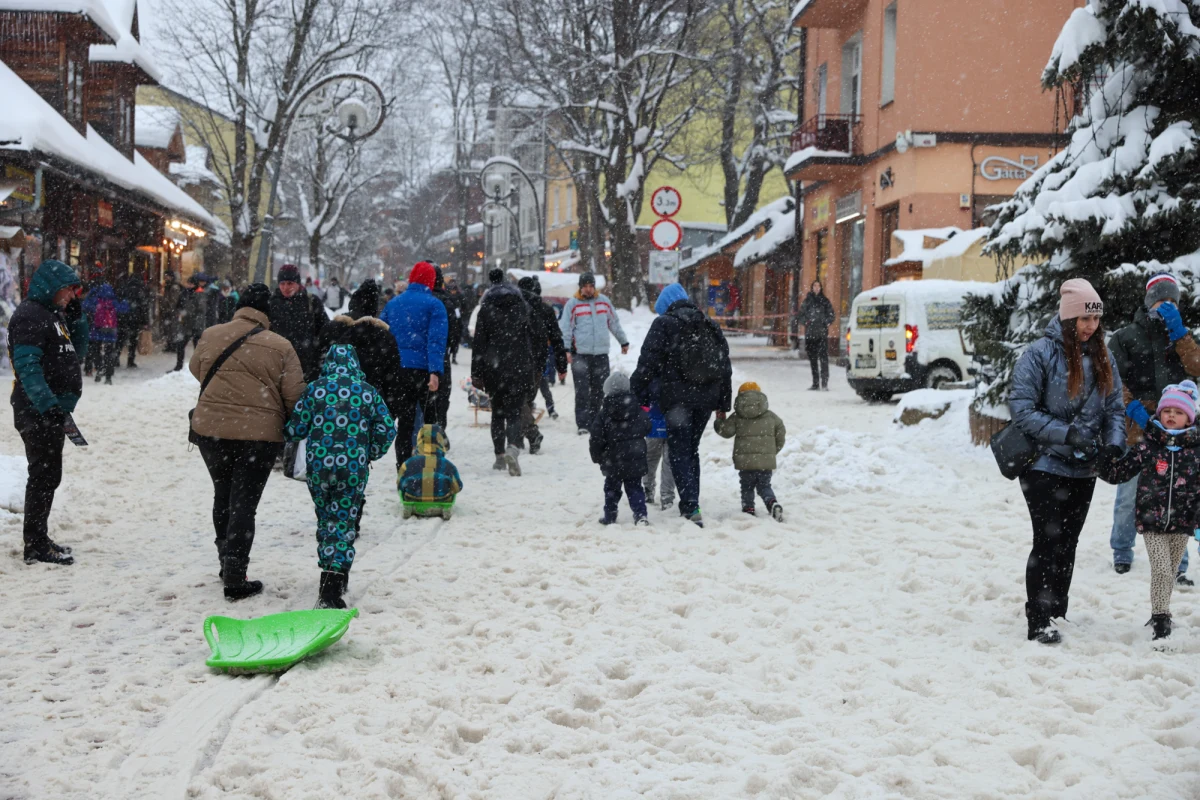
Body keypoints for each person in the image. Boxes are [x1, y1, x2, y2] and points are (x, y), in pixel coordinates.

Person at [1008, 278, 1125, 644]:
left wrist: (1113, 445)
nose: (1090, 326)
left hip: (1085, 467)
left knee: (1069, 540)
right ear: (1068, 319)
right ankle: (1038, 619)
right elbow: (1021, 410)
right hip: (1044, 464)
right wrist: (1065, 433)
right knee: (1047, 540)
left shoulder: (1104, 355)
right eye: (1084, 319)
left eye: (1095, 319)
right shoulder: (1039, 354)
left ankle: (1058, 609)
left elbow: (1115, 408)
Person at [189, 284, 307, 600]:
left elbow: (196, 370)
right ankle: (235, 574)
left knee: (223, 493)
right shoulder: (281, 346)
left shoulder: (211, 334)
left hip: (211, 430)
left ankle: (224, 558)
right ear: (267, 312)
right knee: (244, 502)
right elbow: (295, 395)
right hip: (259, 436)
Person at [286, 344, 396, 609]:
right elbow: (387, 429)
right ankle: (334, 585)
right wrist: (369, 451)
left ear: (329, 363)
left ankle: (327, 572)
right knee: (344, 522)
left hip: (319, 466)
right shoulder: (367, 392)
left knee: (325, 520)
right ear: (355, 364)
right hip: (353, 468)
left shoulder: (315, 389)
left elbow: (295, 428)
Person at [1108, 272, 1200, 585]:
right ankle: (1122, 549)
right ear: (1149, 302)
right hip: (1138, 425)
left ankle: (1179, 565)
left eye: (1173, 300)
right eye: (1161, 299)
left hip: (1176, 427)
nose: (1167, 305)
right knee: (1129, 492)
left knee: (1177, 493)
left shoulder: (1182, 337)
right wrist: (1131, 407)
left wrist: (1180, 334)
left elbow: (1197, 367)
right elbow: (1111, 379)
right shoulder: (1125, 336)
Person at [1103, 381, 1200, 641]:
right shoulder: (1147, 447)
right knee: (1161, 570)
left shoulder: (1196, 453)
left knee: (1170, 570)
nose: (1171, 416)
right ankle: (1160, 618)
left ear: (1189, 418)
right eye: (1167, 410)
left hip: (1182, 522)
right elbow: (1118, 472)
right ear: (1159, 413)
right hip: (1152, 520)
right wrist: (1098, 459)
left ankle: (1163, 610)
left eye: (1178, 412)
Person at [631, 282, 733, 528]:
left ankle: (690, 506)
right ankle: (692, 500)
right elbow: (724, 367)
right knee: (691, 449)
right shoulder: (709, 324)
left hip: (678, 400)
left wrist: (634, 396)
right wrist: (723, 404)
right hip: (706, 399)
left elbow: (647, 364)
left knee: (679, 451)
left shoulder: (664, 324)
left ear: (666, 306)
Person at [9, 260, 87, 565]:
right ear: (51, 287)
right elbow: (27, 367)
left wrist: (77, 322)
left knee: (49, 475)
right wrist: (48, 405)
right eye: (67, 289)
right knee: (43, 475)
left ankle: (39, 537)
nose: (71, 295)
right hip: (36, 411)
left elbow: (76, 355)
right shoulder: (30, 316)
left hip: (50, 411)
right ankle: (35, 546)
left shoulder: (53, 315)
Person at [379, 262, 449, 465]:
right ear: (431, 281)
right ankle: (429, 466)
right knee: (429, 424)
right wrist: (435, 372)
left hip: (398, 371)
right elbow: (436, 341)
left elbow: (383, 335)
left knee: (405, 423)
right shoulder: (435, 305)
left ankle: (402, 467)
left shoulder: (393, 303)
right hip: (424, 372)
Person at [472, 268, 538, 476]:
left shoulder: (486, 310)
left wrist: (477, 372)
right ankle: (513, 448)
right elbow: (533, 339)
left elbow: (479, 343)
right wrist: (533, 366)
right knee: (515, 413)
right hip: (519, 366)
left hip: (494, 368)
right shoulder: (523, 308)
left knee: (498, 413)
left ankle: (499, 456)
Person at [318, 279, 405, 420]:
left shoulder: (331, 329)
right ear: (374, 308)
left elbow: (317, 366)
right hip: (369, 410)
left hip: (331, 407)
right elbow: (393, 381)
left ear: (353, 303)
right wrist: (390, 415)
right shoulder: (384, 337)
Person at [559, 272, 629, 434]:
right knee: (582, 390)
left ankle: (595, 420)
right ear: (580, 287)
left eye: (591, 286)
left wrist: (623, 341)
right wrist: (566, 350)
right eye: (585, 286)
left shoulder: (604, 302)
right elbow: (566, 329)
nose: (589, 289)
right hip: (580, 354)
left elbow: (614, 323)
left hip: (601, 354)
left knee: (599, 390)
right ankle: (583, 424)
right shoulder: (573, 304)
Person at [714, 381, 787, 520]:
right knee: (764, 486)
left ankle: (748, 508)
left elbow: (726, 431)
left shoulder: (737, 416)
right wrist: (771, 452)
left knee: (746, 486)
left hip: (746, 461)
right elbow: (781, 433)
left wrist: (719, 420)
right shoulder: (771, 416)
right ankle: (772, 503)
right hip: (765, 462)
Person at [589, 372, 650, 525]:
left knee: (611, 489)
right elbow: (647, 426)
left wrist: (596, 456)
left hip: (612, 459)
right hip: (635, 457)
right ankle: (640, 514)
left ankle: (610, 515)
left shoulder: (604, 413)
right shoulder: (636, 409)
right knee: (635, 488)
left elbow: (596, 437)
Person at [518, 276, 568, 453]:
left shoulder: (516, 308)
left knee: (517, 400)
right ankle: (521, 436)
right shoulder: (546, 310)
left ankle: (530, 434)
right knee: (526, 399)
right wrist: (561, 365)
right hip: (538, 362)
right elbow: (557, 338)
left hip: (517, 361)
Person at [268, 264, 328, 382]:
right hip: (278, 364)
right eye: (282, 283)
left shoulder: (312, 301)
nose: (285, 287)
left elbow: (325, 331)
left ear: (298, 283)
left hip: (307, 366)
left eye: (290, 283)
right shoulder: (271, 304)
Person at [399, 424, 463, 518]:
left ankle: (411, 503)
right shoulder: (447, 465)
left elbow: (400, 484)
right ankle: (443, 504)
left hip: (413, 500)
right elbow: (458, 487)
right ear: (440, 442)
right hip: (441, 502)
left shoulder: (409, 463)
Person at [431, 266, 463, 433]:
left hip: (421, 356)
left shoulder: (424, 299)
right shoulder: (448, 301)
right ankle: (440, 428)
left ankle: (424, 433)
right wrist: (451, 345)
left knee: (425, 398)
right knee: (442, 396)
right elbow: (456, 327)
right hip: (442, 354)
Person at [82, 280, 127, 385]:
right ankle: (108, 376)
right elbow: (124, 309)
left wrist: (91, 293)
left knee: (96, 351)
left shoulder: (96, 300)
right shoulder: (113, 301)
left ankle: (99, 367)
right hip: (111, 331)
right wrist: (124, 300)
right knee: (109, 353)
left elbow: (84, 305)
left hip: (97, 329)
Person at [799, 280, 836, 391]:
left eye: (818, 286)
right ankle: (815, 383)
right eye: (814, 286)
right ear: (812, 287)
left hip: (822, 335)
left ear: (821, 288)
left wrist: (826, 322)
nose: (816, 288)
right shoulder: (807, 301)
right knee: (813, 360)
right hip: (810, 335)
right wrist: (806, 322)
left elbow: (831, 315)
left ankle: (824, 383)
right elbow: (801, 315)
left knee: (823, 359)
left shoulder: (825, 301)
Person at [171, 274, 211, 372]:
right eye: (188, 283)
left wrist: (189, 314)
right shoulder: (184, 293)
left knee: (197, 349)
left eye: (191, 284)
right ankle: (179, 366)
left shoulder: (200, 295)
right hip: (185, 325)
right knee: (180, 345)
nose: (189, 286)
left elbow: (201, 311)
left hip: (196, 326)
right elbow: (178, 306)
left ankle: (200, 368)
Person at [643, 390, 675, 511]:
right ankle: (667, 497)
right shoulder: (678, 372)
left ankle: (648, 491)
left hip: (653, 421)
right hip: (674, 421)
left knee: (650, 458)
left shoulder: (650, 373)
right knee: (669, 462)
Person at [115, 272, 149, 368]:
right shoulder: (140, 290)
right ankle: (130, 361)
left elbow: (118, 301)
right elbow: (143, 307)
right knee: (133, 341)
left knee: (120, 340)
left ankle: (116, 359)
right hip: (135, 319)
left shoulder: (124, 288)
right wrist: (145, 321)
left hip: (123, 317)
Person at [160, 271, 183, 351]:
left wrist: (164, 301)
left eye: (167, 276)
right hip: (168, 310)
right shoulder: (168, 286)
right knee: (168, 328)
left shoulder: (174, 287)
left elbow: (173, 300)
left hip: (172, 311)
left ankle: (172, 346)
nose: (166, 278)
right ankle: (169, 345)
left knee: (172, 329)